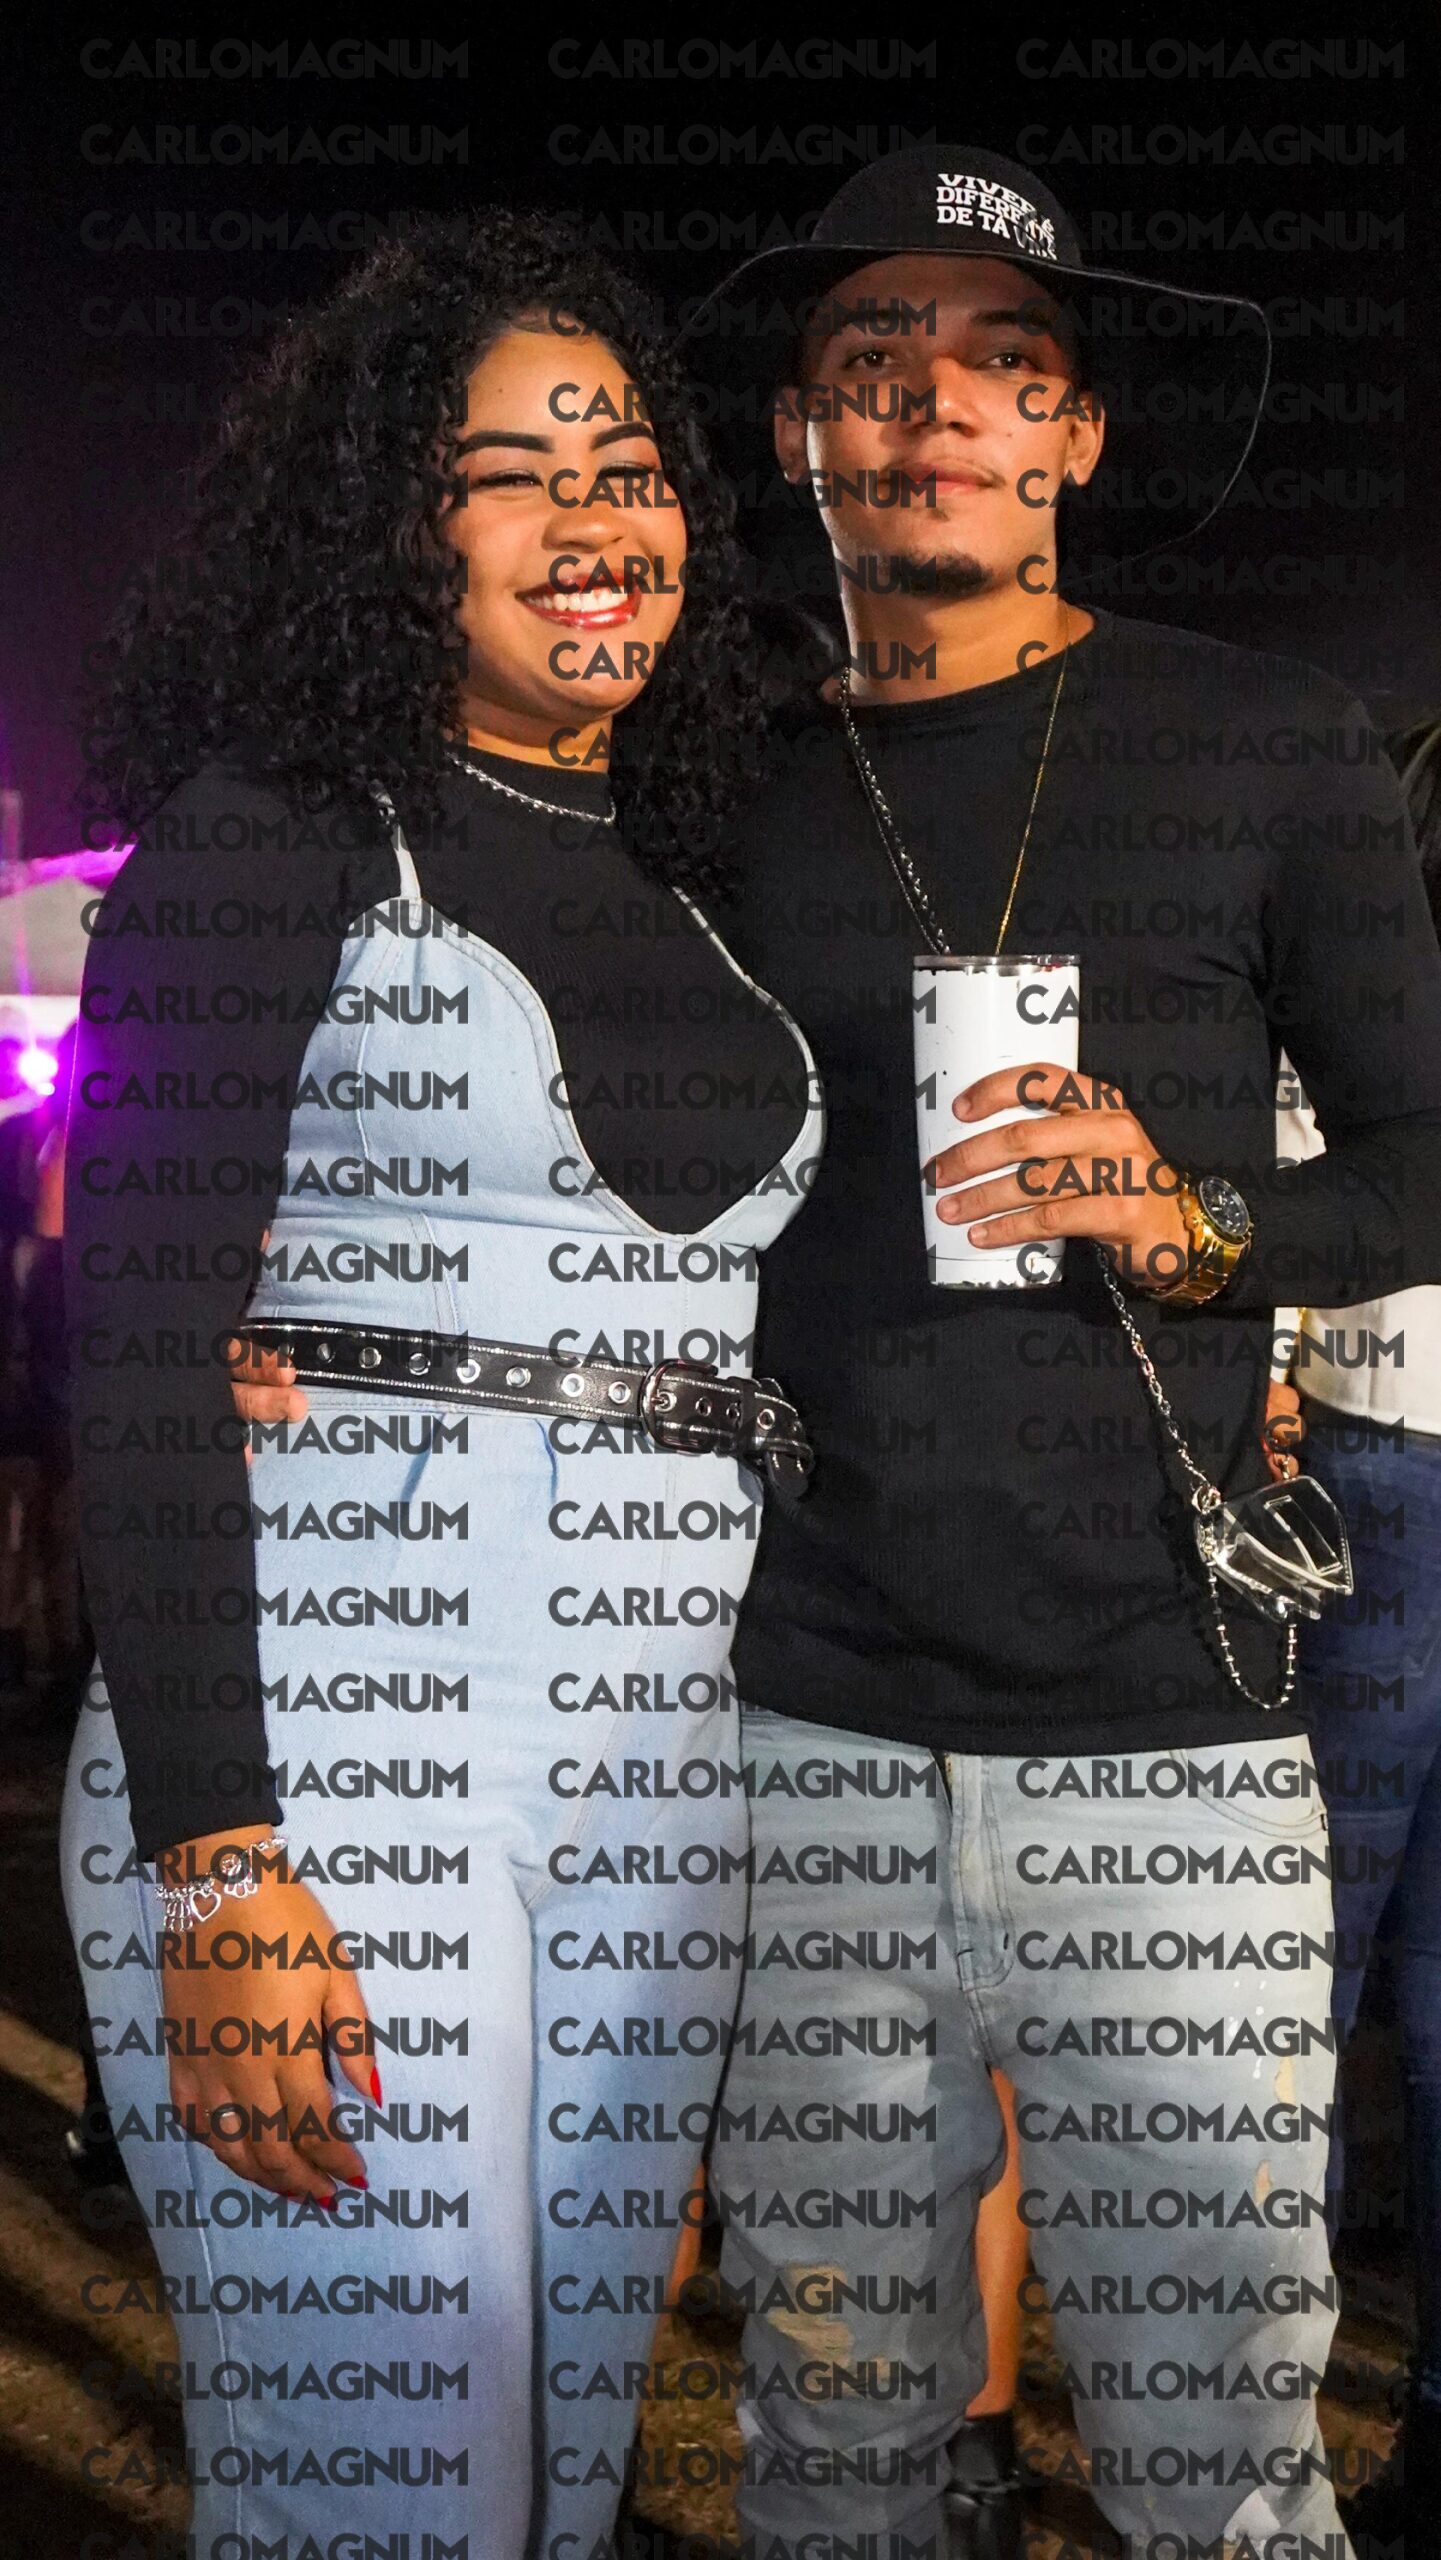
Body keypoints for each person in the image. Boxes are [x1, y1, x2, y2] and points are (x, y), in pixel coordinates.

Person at [672, 145, 1441, 2560]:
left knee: (1221, 2469)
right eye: (868, 361)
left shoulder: (1267, 742)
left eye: (1000, 365)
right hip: (798, 1728)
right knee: (833, 2448)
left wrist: (1196, 1221)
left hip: (1168, 1739)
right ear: (798, 429)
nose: (932, 408)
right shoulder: (700, 776)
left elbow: (1421, 1156)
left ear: (1076, 436)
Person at [61, 210, 822, 2560]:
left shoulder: (708, 872)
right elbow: (142, 1343)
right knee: (387, 2493)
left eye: (627, 462)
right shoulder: (275, 833)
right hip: (347, 1732)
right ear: (396, 525)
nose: (589, 517)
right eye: (511, 472)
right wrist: (221, 1856)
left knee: (555, 2484)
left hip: (663, 1777)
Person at [1266, 712, 1441, 2555]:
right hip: (1373, 1472)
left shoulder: (1350, 966)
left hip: (1384, 1466)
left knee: (1294, 1995)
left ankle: (1273, 2447)